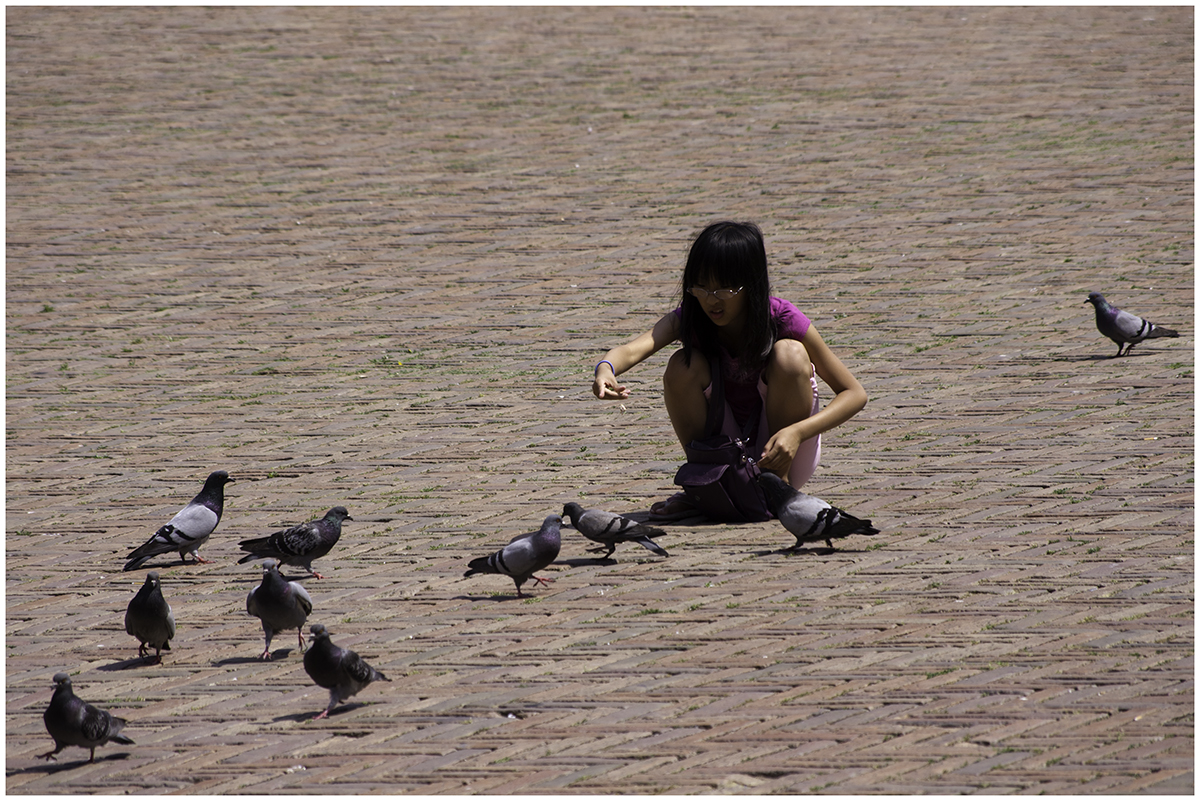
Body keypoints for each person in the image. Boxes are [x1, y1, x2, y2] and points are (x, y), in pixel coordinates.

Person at [591, 221, 867, 520]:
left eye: (724, 288)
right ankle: (706, 483)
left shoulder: (783, 318)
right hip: (722, 447)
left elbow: (854, 393)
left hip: (784, 447)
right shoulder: (692, 317)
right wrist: (606, 369)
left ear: (752, 283)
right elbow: (633, 349)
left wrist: (797, 433)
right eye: (701, 286)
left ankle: (778, 490)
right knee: (681, 365)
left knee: (790, 354)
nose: (711, 299)